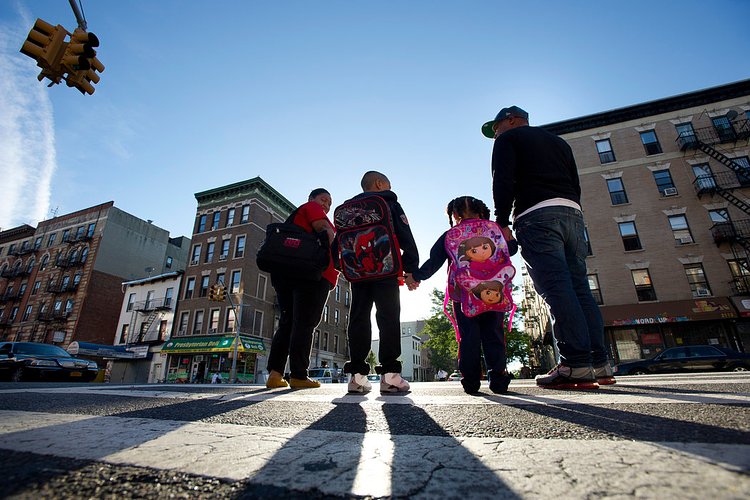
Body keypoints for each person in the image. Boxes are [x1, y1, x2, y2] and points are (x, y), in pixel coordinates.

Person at [482, 105, 615, 389]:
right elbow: (575, 183)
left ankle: (575, 365)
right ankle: (600, 363)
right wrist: (573, 211)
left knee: (557, 288)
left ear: (513, 120)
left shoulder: (509, 140)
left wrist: (502, 221)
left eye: (496, 128)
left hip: (536, 216)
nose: (496, 134)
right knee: (580, 288)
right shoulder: (559, 142)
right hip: (572, 214)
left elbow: (502, 180)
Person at [406, 196, 514, 394]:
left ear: (454, 214)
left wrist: (415, 276)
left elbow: (434, 261)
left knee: (469, 337)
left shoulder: (451, 234)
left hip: (464, 295)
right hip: (496, 293)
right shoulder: (495, 229)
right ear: (481, 211)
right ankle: (499, 380)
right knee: (494, 335)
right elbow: (511, 250)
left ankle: (471, 382)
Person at [338, 171, 419, 394]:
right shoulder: (388, 201)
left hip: (357, 272)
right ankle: (390, 376)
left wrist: (343, 266)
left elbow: (338, 242)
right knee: (388, 317)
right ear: (379, 183)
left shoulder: (347, 208)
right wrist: (412, 269)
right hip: (385, 268)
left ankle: (356, 377)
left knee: (358, 317)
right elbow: (405, 234)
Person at [265, 188, 338, 389]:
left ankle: (275, 374)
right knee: (305, 323)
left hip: (286, 274)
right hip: (312, 275)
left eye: (329, 204)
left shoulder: (299, 216)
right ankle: (298, 375)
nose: (326, 205)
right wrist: (340, 257)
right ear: (311, 199)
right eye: (324, 200)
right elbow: (324, 230)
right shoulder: (312, 208)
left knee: (288, 323)